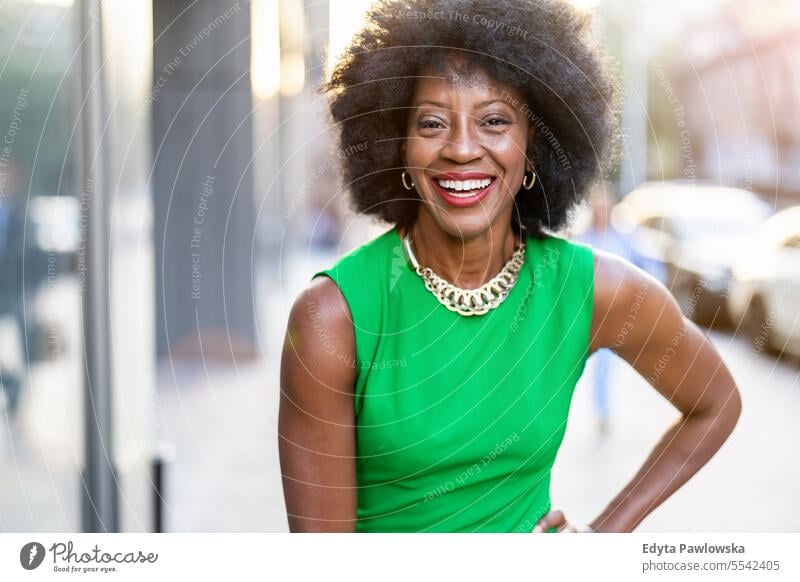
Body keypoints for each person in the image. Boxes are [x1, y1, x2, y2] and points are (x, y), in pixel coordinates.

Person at [278, 0, 741, 533]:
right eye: (432, 123)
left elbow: (716, 402)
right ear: (396, 146)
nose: (461, 148)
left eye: (494, 121)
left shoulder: (589, 291)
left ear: (535, 148)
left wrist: (606, 535)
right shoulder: (333, 318)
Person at [575, 192, 666, 432]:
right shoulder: (581, 241)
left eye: (605, 208)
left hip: (618, 317)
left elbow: (651, 269)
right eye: (597, 208)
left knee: (615, 367)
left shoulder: (625, 240)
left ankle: (609, 412)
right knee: (587, 367)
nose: (601, 212)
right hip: (588, 317)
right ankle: (600, 411)